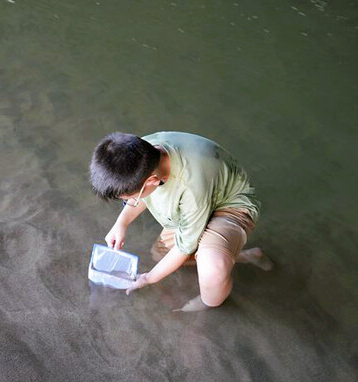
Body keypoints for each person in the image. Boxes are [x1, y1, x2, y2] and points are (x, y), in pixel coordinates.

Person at [89, 131, 273, 311]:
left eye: (130, 198)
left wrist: (149, 278)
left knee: (213, 269)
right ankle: (246, 256)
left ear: (152, 180)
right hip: (197, 202)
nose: (130, 202)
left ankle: (209, 302)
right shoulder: (138, 153)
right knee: (159, 255)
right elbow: (142, 191)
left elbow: (184, 247)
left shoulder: (190, 188)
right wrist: (121, 223)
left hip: (229, 205)